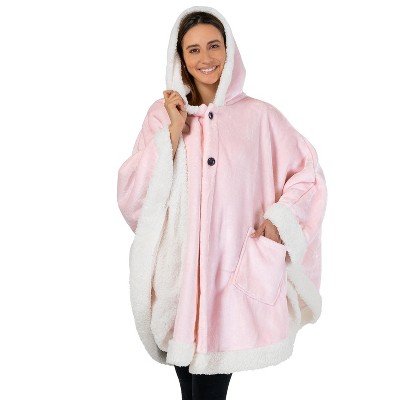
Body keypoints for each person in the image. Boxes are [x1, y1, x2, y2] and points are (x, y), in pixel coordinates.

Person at [117, 5, 328, 400]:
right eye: (193, 49)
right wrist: (173, 132)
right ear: (180, 58)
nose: (206, 58)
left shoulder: (260, 118)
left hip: (232, 277)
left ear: (229, 50)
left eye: (214, 46)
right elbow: (133, 196)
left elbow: (309, 174)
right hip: (179, 283)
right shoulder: (162, 117)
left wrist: (280, 220)